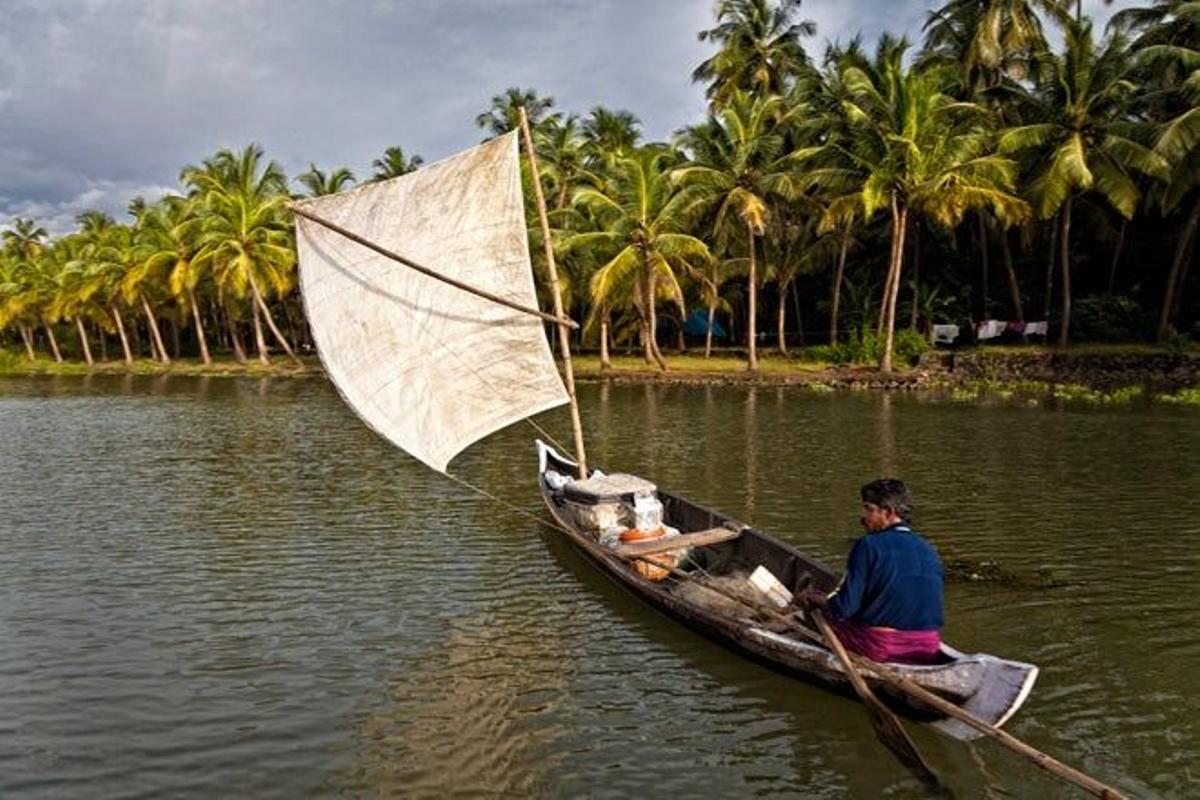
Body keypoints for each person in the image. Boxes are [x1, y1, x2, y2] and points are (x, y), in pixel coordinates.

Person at [803, 479, 944, 664]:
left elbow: (843, 609)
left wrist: (815, 600)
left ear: (888, 512)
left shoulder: (868, 545)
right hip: (928, 646)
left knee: (815, 613)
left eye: (869, 509)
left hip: (880, 646)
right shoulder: (929, 549)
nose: (863, 518)